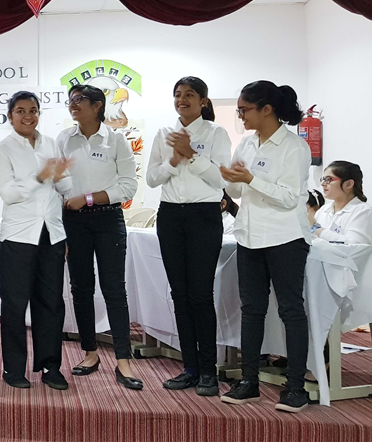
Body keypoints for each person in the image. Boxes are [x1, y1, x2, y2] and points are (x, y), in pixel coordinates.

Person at [219, 80, 312, 413]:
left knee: (290, 310)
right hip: (249, 236)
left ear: (267, 109)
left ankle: (296, 387)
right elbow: (237, 192)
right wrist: (231, 177)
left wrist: (250, 179)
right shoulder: (247, 143)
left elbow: (288, 198)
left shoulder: (293, 147)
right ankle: (249, 382)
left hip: (285, 237)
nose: (241, 116)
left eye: (244, 110)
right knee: (251, 310)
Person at [146, 77, 232, 396]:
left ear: (203, 101)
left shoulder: (216, 133)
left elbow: (221, 180)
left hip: (203, 217)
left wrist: (191, 155)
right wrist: (173, 160)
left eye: (190, 95)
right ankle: (190, 368)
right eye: (178, 95)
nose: (182, 100)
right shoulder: (162, 134)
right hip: (170, 216)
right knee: (179, 295)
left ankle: (208, 371)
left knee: (200, 294)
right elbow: (152, 178)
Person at [57, 84, 143, 390]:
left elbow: (128, 186)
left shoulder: (116, 140)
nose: (73, 105)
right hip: (72, 222)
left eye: (79, 100)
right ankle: (90, 353)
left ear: (97, 106)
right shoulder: (64, 139)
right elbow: (57, 184)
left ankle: (123, 360)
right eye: (70, 100)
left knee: (114, 289)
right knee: (80, 288)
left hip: (107, 219)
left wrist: (89, 198)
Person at [0, 91, 73, 391]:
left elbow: (66, 186)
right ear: (10, 115)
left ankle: (51, 367)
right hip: (18, 235)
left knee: (51, 302)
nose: (28, 116)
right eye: (21, 111)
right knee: (14, 304)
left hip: (51, 232)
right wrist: (40, 176)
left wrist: (60, 175)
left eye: (34, 110)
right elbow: (9, 194)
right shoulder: (3, 149)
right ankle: (14, 369)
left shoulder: (51, 143)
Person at [312, 161, 372, 245]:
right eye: (323, 179)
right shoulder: (323, 211)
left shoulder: (364, 212)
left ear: (349, 184)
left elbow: (354, 246)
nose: (323, 184)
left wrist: (319, 231)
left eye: (329, 179)